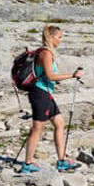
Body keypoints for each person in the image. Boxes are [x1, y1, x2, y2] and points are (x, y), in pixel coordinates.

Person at [19, 25, 83, 174]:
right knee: (37, 128)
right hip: (40, 94)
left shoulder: (45, 52)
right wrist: (72, 75)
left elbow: (49, 77)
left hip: (45, 93)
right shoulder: (46, 54)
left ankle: (62, 160)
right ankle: (27, 163)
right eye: (59, 37)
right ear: (51, 37)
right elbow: (50, 76)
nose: (61, 40)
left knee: (59, 123)